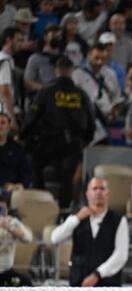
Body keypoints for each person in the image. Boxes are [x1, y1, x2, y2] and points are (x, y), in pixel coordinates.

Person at [22, 55, 94, 209]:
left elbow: (32, 117)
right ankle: (64, 211)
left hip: (49, 142)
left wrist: (24, 136)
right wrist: (84, 142)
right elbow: (91, 121)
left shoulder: (46, 92)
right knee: (67, 177)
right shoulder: (81, 94)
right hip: (73, 144)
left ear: (56, 71)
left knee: (35, 165)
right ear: (71, 71)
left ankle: (41, 204)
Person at [50, 177, 128, 287]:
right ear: (87, 194)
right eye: (94, 188)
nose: (98, 192)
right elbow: (55, 238)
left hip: (108, 288)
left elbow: (121, 255)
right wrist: (77, 218)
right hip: (78, 286)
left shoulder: (119, 220)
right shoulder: (77, 219)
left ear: (108, 194)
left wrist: (98, 274)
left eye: (102, 188)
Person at [72, 43, 124, 144]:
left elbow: (116, 97)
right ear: (88, 56)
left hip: (106, 122)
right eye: (96, 58)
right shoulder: (77, 74)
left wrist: (116, 110)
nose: (99, 62)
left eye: (103, 59)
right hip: (85, 122)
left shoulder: (111, 74)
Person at [0, 193, 32, 286]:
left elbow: (28, 238)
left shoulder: (12, 222)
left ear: (7, 209)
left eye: (2, 209)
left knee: (26, 282)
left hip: (6, 271)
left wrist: (8, 227)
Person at [0, 109, 30, 193]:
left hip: (13, 190)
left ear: (9, 127)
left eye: (3, 123)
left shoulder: (17, 149)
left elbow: (25, 172)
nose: (0, 126)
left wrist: (21, 185)